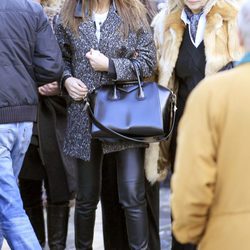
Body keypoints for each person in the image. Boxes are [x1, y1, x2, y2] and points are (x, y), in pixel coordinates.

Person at [55, 0, 156, 248]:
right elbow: (60, 60)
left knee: (132, 196)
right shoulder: (67, 14)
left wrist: (110, 65)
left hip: (125, 114)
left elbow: (148, 61)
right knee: (86, 199)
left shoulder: (133, 12)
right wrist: (66, 80)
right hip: (83, 115)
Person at [151, 0, 242, 249]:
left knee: (223, 198)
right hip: (184, 127)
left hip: (224, 127)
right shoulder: (164, 23)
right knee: (185, 195)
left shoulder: (231, 19)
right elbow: (158, 77)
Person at [0, 0, 63, 249]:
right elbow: (52, 67)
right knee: (5, 198)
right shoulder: (32, 8)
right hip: (24, 120)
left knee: (9, 206)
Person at [100, 1, 161, 249]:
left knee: (138, 195)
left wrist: (116, 63)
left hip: (141, 112)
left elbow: (149, 60)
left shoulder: (145, 9)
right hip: (110, 111)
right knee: (114, 193)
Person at [18, 0, 77, 249]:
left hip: (58, 117)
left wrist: (62, 83)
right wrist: (35, 86)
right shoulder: (20, 11)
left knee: (59, 189)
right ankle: (36, 244)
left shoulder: (68, 14)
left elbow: (75, 59)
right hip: (28, 114)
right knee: (28, 188)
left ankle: (57, 246)